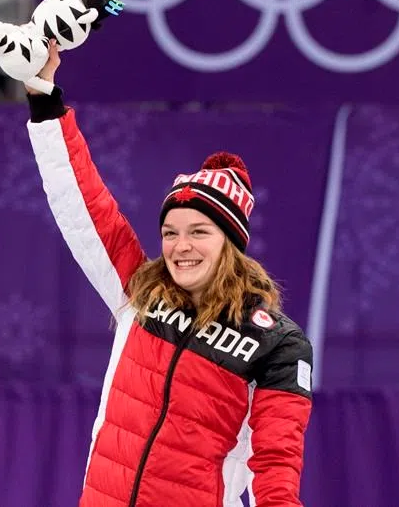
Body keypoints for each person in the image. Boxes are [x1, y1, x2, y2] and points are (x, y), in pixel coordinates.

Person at [25, 41, 313, 507]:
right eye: (170, 232)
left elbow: (277, 463)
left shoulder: (276, 342)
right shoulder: (142, 292)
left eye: (199, 231)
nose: (181, 247)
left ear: (231, 243)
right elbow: (83, 205)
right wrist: (43, 97)